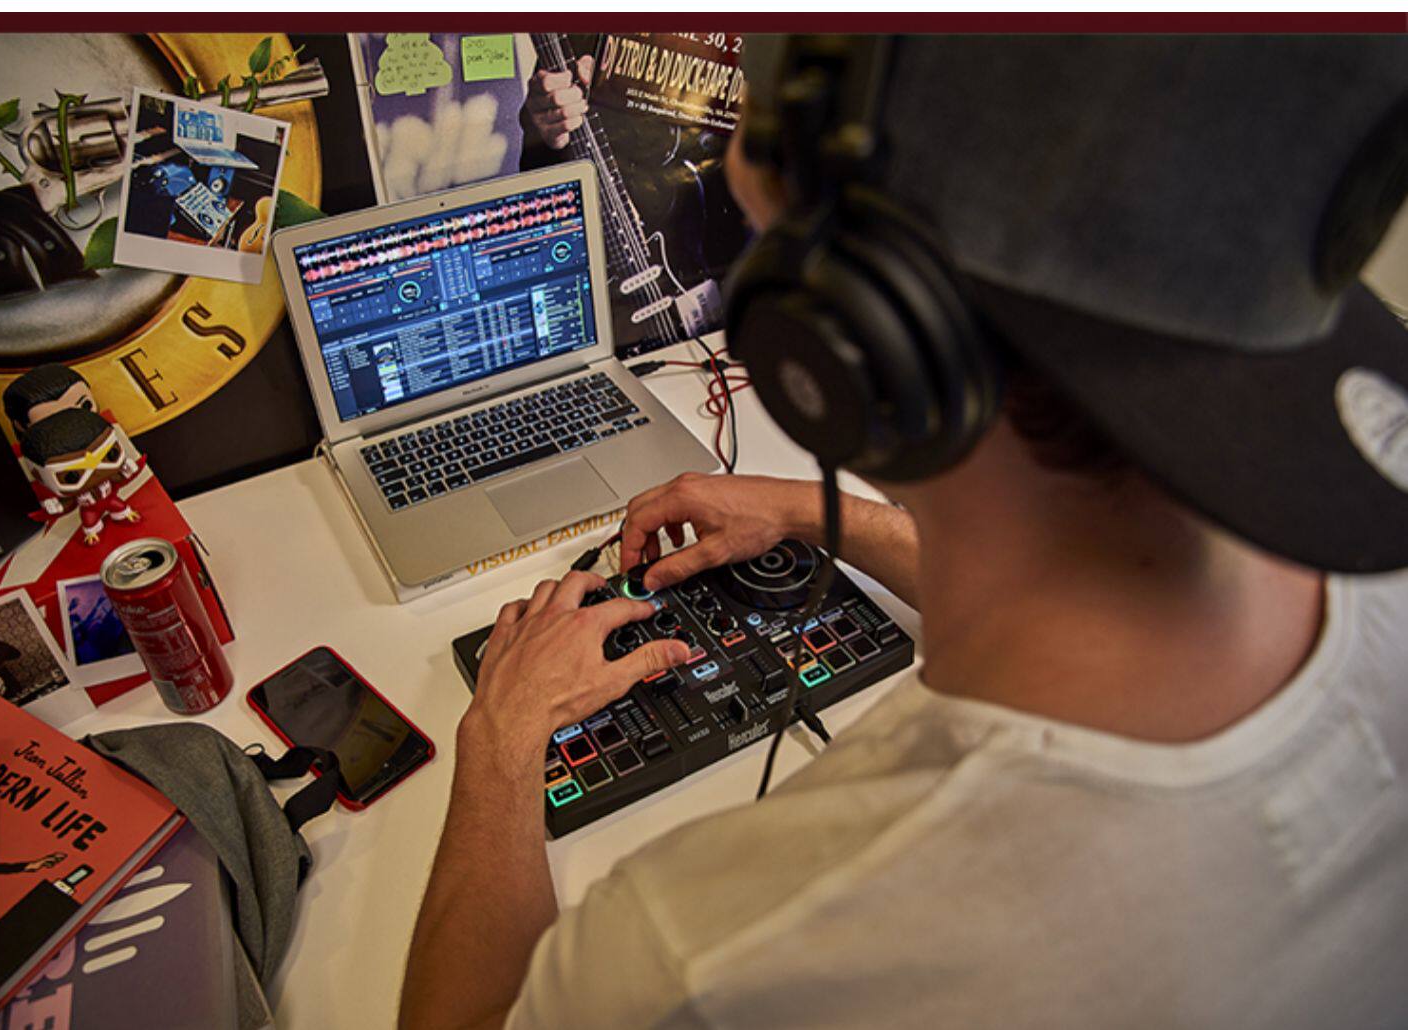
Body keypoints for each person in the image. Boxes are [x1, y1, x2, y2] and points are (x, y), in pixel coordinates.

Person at [401, 36, 1408, 1028]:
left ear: (829, 332)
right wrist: (814, 512)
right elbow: (1074, 581)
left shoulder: (710, 955)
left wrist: (503, 738)